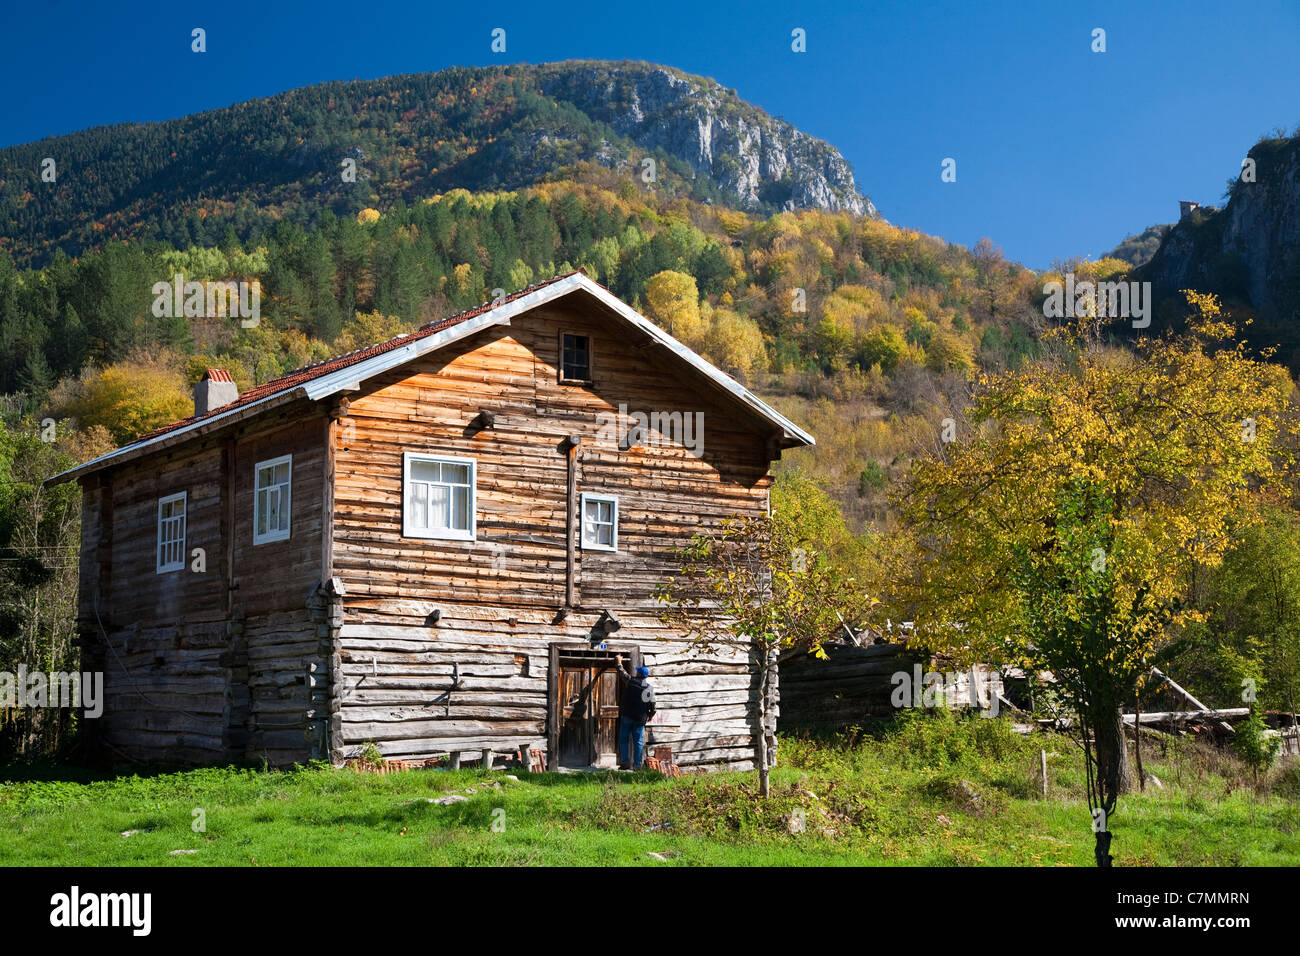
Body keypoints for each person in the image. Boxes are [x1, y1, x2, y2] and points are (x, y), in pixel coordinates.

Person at [615, 654, 655, 769]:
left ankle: (625, 763)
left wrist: (618, 663)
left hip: (627, 716)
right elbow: (652, 705)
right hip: (640, 719)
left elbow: (622, 673)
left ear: (638, 674)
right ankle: (637, 765)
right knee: (638, 742)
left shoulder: (631, 681)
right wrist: (651, 715)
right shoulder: (649, 689)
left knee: (624, 739)